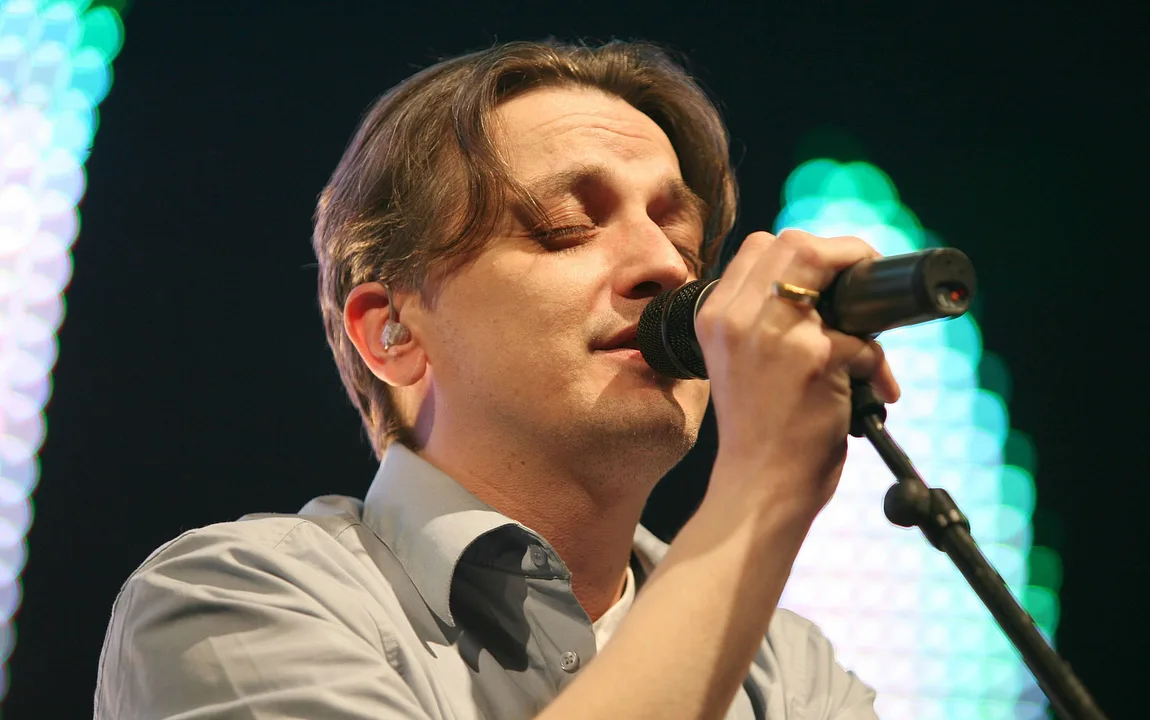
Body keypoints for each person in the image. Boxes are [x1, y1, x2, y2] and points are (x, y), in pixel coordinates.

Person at [95, 39, 900, 719]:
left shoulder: (792, 677)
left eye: (682, 238)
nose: (664, 265)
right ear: (393, 332)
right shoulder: (235, 599)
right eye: (565, 228)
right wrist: (762, 491)